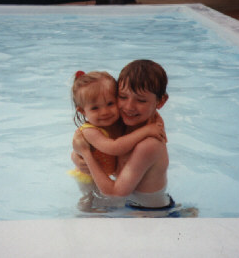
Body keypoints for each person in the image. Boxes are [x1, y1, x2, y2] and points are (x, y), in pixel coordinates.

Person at [72, 59, 174, 209]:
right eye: (123, 97)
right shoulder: (129, 121)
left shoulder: (150, 144)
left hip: (149, 211)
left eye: (141, 100)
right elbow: (90, 144)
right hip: (130, 200)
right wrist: (76, 156)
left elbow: (115, 193)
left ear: (161, 101)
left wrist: (86, 154)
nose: (128, 107)